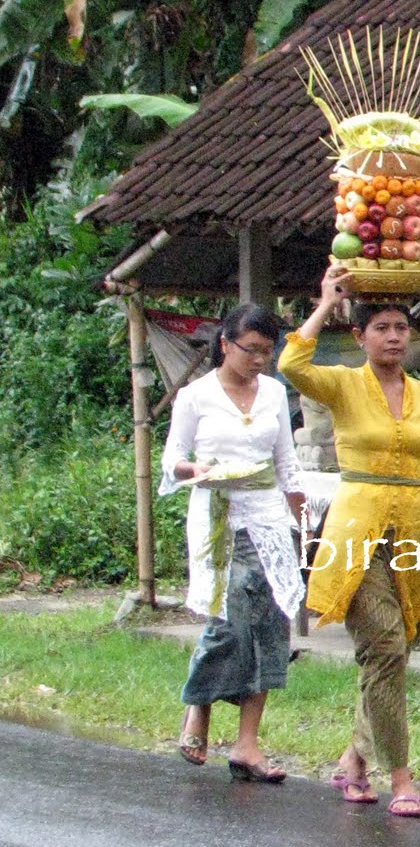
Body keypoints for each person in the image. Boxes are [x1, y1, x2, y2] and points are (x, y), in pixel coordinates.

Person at [279, 265, 420, 818]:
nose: (393, 336)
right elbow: (291, 364)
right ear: (360, 337)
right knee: (382, 645)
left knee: (398, 650)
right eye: (381, 327)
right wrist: (325, 303)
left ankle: (353, 759)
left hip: (412, 531)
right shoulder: (342, 383)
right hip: (355, 530)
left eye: (401, 328)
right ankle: (400, 776)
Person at [163, 304, 306, 781]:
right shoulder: (195, 397)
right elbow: (173, 461)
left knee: (270, 626)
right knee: (227, 623)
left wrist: (301, 517)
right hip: (219, 516)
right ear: (225, 344)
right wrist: (195, 471)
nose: (259, 360)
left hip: (267, 518)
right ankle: (198, 705)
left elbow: (286, 460)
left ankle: (248, 744)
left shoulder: (273, 394)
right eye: (251, 350)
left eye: (268, 351)